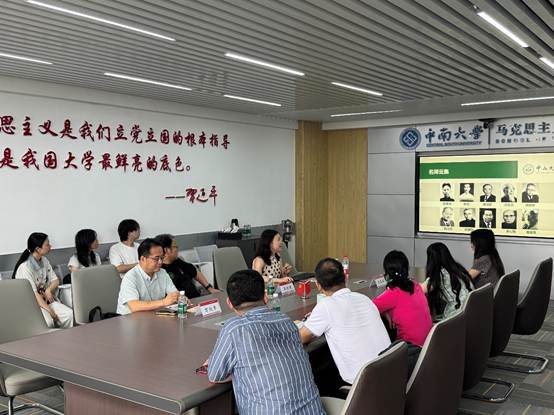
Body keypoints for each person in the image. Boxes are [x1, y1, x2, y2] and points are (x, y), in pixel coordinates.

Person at [206, 270, 325, 415]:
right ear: (265, 296)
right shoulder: (285, 320)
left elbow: (214, 375)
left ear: (229, 303)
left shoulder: (234, 328)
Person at [299, 258, 390, 385]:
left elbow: (300, 338)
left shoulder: (326, 306)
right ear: (345, 278)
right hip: (390, 374)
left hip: (363, 385)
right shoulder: (364, 299)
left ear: (318, 285)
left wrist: (315, 320)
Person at [13, 233, 73, 328]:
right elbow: (34, 294)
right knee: (48, 322)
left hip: (45, 301)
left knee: (69, 314)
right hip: (32, 305)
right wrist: (50, 311)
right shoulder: (25, 268)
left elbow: (55, 280)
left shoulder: (44, 260)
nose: (50, 246)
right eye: (47, 244)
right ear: (38, 249)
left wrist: (48, 290)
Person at [372, 251, 432, 347]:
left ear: (387, 273)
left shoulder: (393, 293)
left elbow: (370, 307)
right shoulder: (415, 285)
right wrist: (386, 312)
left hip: (411, 348)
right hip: (428, 345)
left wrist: (385, 312)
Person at [116, 238, 179, 315]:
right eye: (156, 258)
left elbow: (174, 294)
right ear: (143, 259)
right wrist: (164, 302)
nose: (160, 262)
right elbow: (134, 306)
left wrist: (179, 298)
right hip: (130, 319)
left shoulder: (162, 273)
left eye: (162, 258)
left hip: (154, 316)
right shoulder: (130, 277)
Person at [156, 234, 219, 298]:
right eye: (175, 247)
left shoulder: (177, 261)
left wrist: (209, 288)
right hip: (181, 302)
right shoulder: (159, 270)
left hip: (196, 298)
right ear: (166, 250)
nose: (177, 249)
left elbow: (194, 271)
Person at [423, 243, 473, 321]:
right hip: (470, 310)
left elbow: (421, 290)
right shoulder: (458, 268)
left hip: (456, 316)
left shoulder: (439, 274)